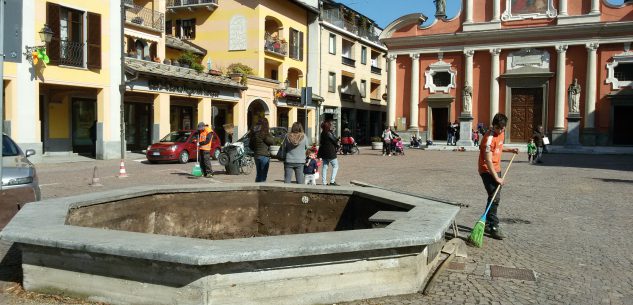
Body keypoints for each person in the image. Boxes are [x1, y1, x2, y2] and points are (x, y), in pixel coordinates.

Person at [478, 113, 519, 240]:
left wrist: (510, 150)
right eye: (498, 128)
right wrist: (496, 178)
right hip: (487, 170)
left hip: (497, 169)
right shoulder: (488, 139)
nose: (501, 130)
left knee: (493, 197)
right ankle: (494, 226)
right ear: (493, 125)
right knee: (494, 198)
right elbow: (488, 160)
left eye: (502, 128)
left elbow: (499, 148)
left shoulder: (501, 132)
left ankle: (486, 223)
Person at [249, 118, 274, 182]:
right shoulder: (264, 133)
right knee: (263, 176)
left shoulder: (254, 133)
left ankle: (256, 189)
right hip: (264, 156)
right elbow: (272, 142)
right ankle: (261, 191)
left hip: (256, 156)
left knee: (258, 174)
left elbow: (250, 145)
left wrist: (256, 150)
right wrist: (269, 134)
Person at [318, 119, 339, 186]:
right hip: (330, 153)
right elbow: (335, 140)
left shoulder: (322, 133)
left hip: (324, 153)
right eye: (330, 125)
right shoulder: (329, 133)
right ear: (328, 126)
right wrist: (337, 139)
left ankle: (324, 182)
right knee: (335, 166)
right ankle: (332, 181)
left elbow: (321, 143)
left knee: (325, 167)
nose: (331, 126)